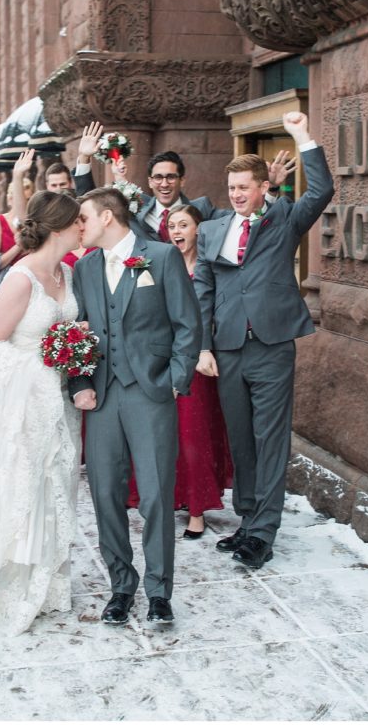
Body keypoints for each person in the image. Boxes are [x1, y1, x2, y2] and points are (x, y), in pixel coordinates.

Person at [194, 111, 334, 570]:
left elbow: (321, 192)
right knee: (241, 439)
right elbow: (204, 291)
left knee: (269, 437)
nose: (236, 195)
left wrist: (302, 136)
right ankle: (248, 518)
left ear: (260, 188)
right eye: (232, 188)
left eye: (244, 188)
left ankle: (264, 531)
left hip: (272, 345)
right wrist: (202, 346)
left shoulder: (283, 221)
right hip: (228, 347)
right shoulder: (213, 229)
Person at [0, 190, 83, 635]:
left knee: (56, 487)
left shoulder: (66, 272)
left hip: (61, 402)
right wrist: (44, 362)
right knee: (24, 490)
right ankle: (13, 585)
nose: (84, 227)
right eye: (78, 221)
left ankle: (46, 583)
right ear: (60, 227)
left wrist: (73, 349)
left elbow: (67, 329)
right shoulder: (20, 278)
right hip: (24, 403)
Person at [72, 187, 202, 626]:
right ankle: (120, 588)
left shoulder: (160, 257)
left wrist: (172, 382)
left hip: (150, 393)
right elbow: (78, 331)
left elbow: (189, 325)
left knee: (156, 496)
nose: (79, 225)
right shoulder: (85, 267)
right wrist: (80, 382)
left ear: (108, 217)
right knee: (106, 495)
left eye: (84, 217)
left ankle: (160, 592)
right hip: (103, 396)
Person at [127, 205, 233, 533]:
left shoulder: (210, 267)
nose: (176, 231)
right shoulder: (157, 264)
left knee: (192, 435)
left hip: (198, 365)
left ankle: (197, 510)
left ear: (198, 230)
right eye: (171, 225)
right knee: (160, 434)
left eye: (184, 224)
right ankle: (163, 497)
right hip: (160, 363)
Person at [73, 121, 295, 238]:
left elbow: (247, 216)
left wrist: (272, 189)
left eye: (171, 177)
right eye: (158, 178)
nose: (164, 183)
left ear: (182, 180)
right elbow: (90, 207)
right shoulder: (135, 207)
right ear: (149, 182)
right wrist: (84, 158)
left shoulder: (202, 209)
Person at [0, 156, 34, 300]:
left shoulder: (35, 222)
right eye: (18, 197)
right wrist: (18, 246)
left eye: (27, 199)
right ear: (10, 198)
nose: (21, 202)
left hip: (31, 281)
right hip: (5, 284)